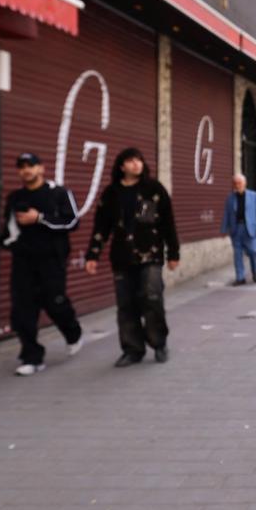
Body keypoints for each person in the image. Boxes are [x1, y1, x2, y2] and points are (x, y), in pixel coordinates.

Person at [84, 147, 179, 367]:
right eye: (131, 161)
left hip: (151, 254)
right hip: (122, 257)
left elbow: (168, 223)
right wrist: (93, 254)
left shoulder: (154, 189)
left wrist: (174, 253)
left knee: (152, 297)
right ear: (121, 166)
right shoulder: (111, 193)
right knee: (125, 304)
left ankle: (159, 343)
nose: (136, 164)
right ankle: (132, 349)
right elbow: (101, 226)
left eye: (139, 160)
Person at [0, 152, 84, 376]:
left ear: (41, 168)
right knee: (22, 310)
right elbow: (9, 228)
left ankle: (73, 332)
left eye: (31, 166)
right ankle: (31, 357)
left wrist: (40, 218)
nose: (26, 170)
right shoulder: (16, 197)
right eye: (22, 167)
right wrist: (11, 243)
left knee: (55, 303)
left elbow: (72, 221)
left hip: (52, 260)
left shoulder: (58, 193)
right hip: (24, 261)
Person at [221, 173, 256, 285]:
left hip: (249, 229)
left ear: (244, 183)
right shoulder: (230, 198)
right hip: (236, 230)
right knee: (237, 255)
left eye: (239, 183)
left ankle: (255, 272)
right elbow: (226, 214)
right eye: (235, 183)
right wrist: (224, 229)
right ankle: (240, 277)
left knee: (253, 252)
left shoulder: (254, 196)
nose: (237, 185)